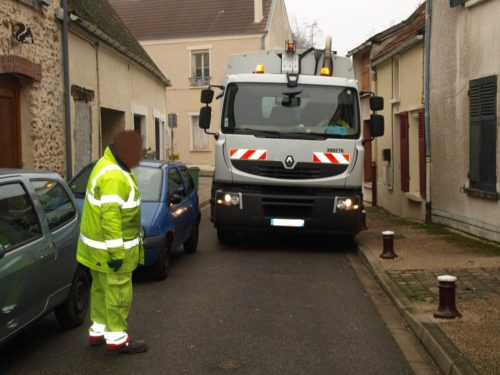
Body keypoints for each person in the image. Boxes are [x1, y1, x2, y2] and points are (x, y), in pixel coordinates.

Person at [76, 130, 146, 354]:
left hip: (96, 252)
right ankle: (117, 338)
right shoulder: (115, 176)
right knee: (118, 293)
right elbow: (110, 218)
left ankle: (98, 331)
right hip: (112, 253)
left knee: (99, 290)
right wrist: (117, 254)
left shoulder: (104, 165)